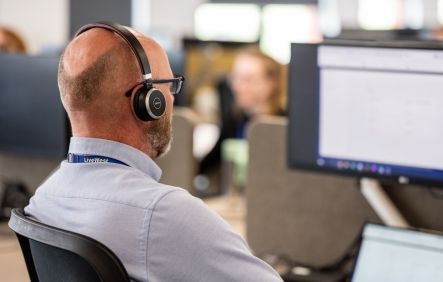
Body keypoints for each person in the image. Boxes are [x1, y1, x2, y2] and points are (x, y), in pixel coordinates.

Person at [24, 22, 282, 282]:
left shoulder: (43, 198)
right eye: (168, 86)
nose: (172, 98)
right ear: (148, 103)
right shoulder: (166, 214)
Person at [198, 46, 285, 181]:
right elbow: (206, 165)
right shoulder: (236, 121)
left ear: (272, 83)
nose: (238, 86)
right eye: (235, 78)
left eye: (248, 79)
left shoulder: (284, 127)